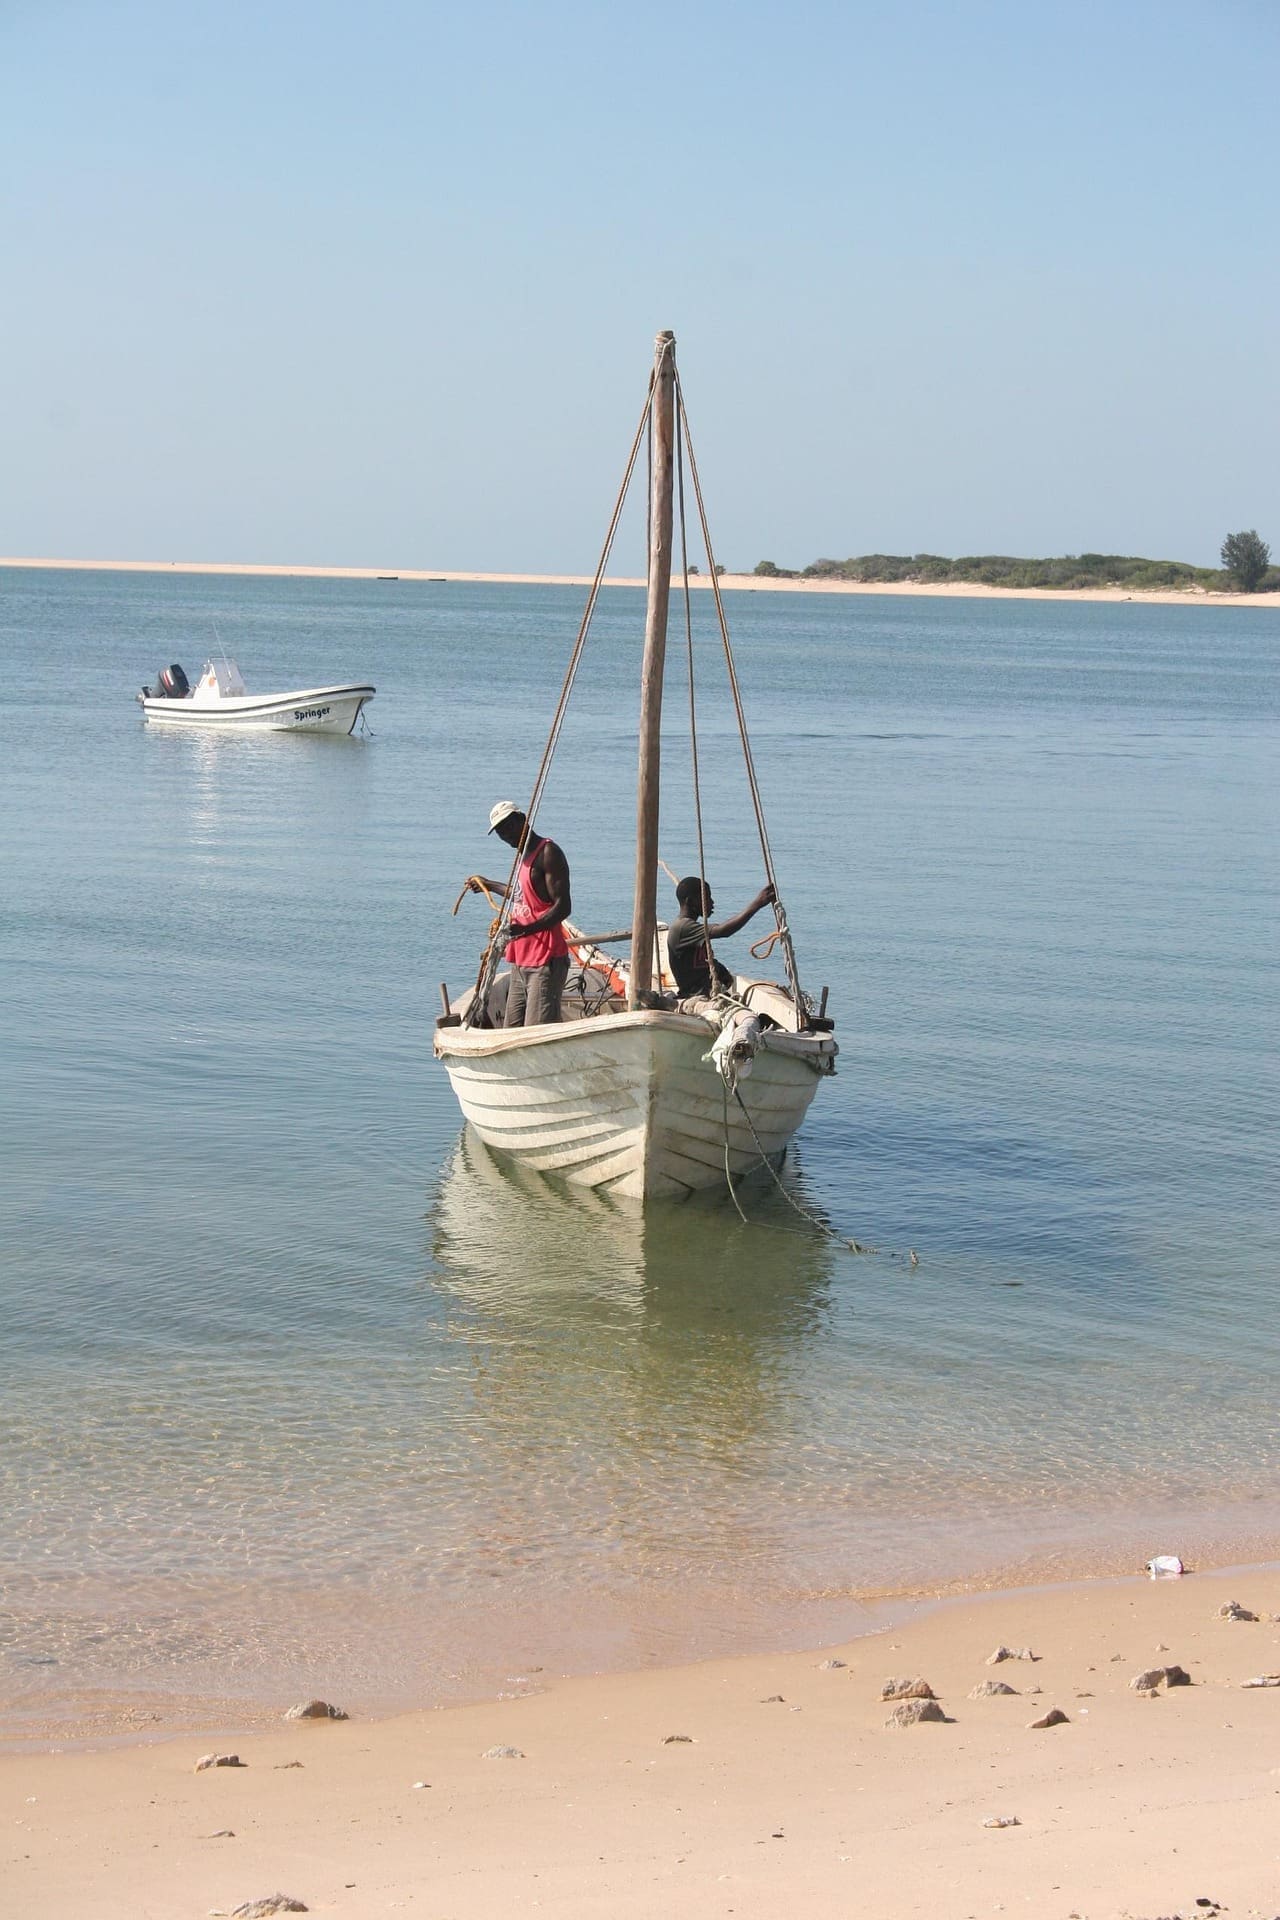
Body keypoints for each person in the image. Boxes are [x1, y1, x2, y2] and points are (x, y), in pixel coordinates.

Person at [466, 802, 572, 1026]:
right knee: (510, 1029)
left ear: (522, 819)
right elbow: (521, 894)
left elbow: (563, 907)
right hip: (520, 961)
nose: (505, 835)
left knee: (536, 1032)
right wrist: (488, 884)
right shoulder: (522, 857)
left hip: (545, 961)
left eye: (508, 827)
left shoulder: (547, 853)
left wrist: (525, 929)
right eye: (500, 832)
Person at [666, 876, 775, 1000]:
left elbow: (701, 962)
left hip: (708, 995)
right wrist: (758, 903)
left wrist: (721, 972)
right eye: (706, 897)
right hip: (695, 998)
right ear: (691, 901)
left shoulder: (689, 927)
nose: (712, 902)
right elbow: (724, 930)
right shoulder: (683, 927)